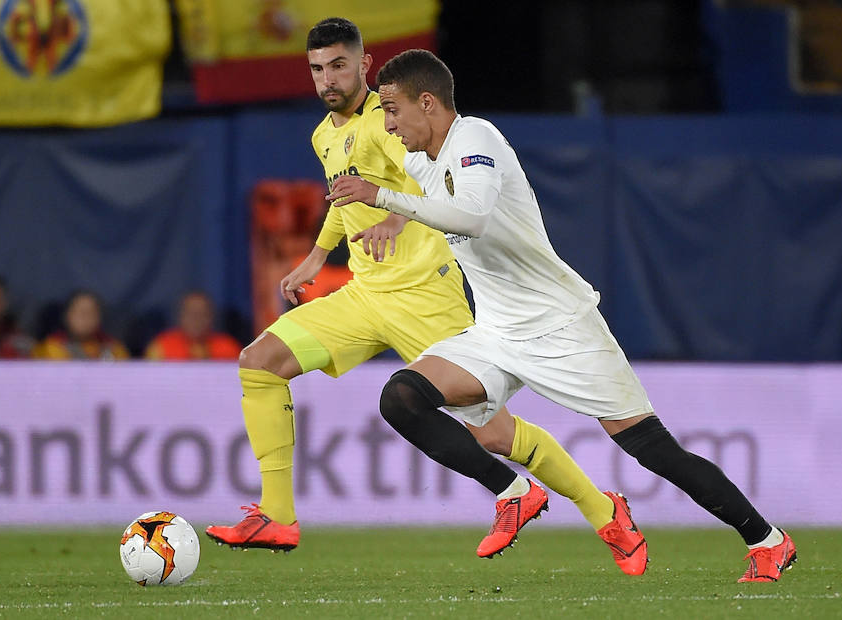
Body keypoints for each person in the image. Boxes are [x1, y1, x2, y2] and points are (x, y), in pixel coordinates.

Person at [326, 49, 796, 583]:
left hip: (562, 325)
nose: (387, 123)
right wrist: (391, 217)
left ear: (428, 103)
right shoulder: (418, 161)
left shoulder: (476, 138)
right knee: (402, 398)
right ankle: (514, 490)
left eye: (392, 110)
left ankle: (767, 540)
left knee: (653, 450)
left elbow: (474, 217)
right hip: (498, 333)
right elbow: (419, 196)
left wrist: (384, 197)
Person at [206, 18, 647, 574]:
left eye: (339, 65)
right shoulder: (324, 134)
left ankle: (604, 511)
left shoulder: (390, 122)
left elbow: (435, 186)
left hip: (425, 296)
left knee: (492, 432)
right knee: (259, 363)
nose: (328, 79)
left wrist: (394, 218)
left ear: (364, 65)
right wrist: (318, 256)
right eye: (317, 69)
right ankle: (278, 514)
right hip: (366, 294)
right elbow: (346, 199)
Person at [145, 291, 242, 361]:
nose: (196, 320)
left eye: (202, 314)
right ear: (180, 316)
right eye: (191, 314)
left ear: (211, 317)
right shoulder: (160, 347)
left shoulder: (229, 348)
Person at [35, 290, 129, 360]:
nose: (86, 318)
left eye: (91, 312)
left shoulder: (114, 349)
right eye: (80, 312)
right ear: (67, 316)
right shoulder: (50, 348)